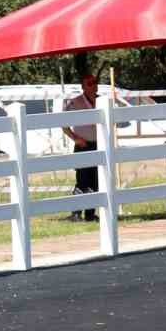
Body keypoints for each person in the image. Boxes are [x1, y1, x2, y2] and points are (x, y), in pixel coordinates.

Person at [62, 74, 100, 221]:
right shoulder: (75, 102)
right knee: (82, 182)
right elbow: (63, 124)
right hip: (83, 146)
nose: (93, 85)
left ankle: (90, 214)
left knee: (96, 182)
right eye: (89, 83)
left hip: (98, 146)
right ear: (83, 87)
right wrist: (75, 138)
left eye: (94, 82)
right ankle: (75, 213)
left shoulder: (102, 100)